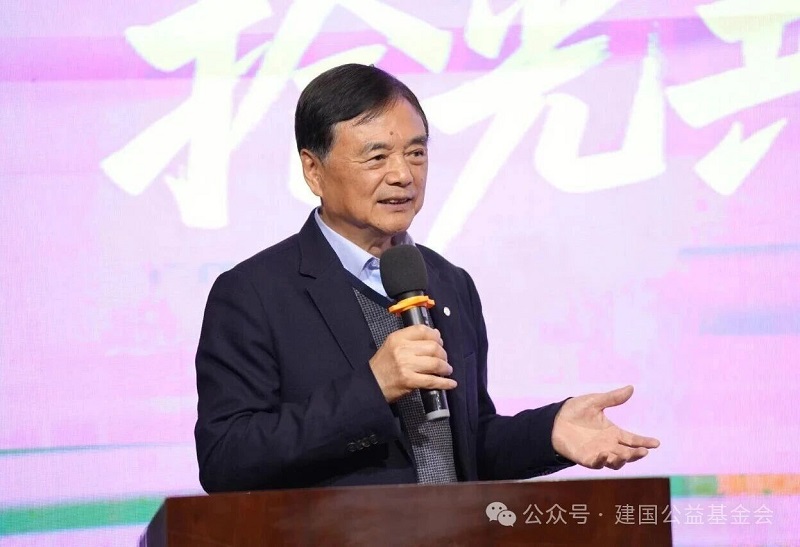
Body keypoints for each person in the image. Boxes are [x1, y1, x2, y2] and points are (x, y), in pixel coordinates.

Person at [194, 63, 659, 492]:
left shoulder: (448, 281)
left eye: (416, 153)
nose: (403, 174)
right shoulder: (254, 294)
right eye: (377, 157)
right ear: (313, 170)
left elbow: (464, 448)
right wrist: (372, 389)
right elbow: (226, 458)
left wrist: (549, 432)